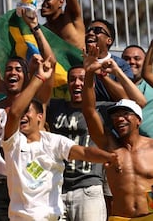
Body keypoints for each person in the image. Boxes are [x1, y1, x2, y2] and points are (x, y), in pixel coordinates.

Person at [2, 56, 121, 220]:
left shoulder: (53, 141)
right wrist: (38, 77)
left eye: (27, 112)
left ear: (40, 116)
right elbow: (14, 112)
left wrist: (108, 157)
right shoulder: (13, 143)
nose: (21, 116)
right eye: (72, 79)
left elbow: (84, 153)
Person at [0, 8, 56, 220]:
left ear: (27, 77)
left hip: (33, 184)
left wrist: (35, 27)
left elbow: (50, 62)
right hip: (1, 185)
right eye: (9, 69)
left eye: (18, 69)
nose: (13, 73)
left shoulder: (37, 101)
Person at [82, 44, 153, 220]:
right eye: (115, 116)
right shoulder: (110, 147)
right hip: (121, 217)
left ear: (138, 120)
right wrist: (89, 74)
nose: (119, 119)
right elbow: (89, 111)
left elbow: (149, 72)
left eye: (125, 114)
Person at [47, 65, 113, 221]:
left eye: (82, 79)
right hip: (56, 188)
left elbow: (137, 102)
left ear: (92, 83)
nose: (77, 83)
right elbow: (38, 97)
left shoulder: (103, 109)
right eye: (72, 79)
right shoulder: (55, 107)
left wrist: (107, 74)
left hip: (88, 188)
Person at [85, 19, 134, 102]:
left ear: (109, 40)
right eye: (88, 30)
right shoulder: (77, 62)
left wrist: (100, 73)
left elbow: (125, 98)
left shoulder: (120, 65)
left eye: (97, 30)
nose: (90, 33)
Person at [123, 44, 153, 138]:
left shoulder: (151, 85)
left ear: (146, 62)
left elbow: (147, 74)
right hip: (126, 148)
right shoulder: (113, 85)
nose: (131, 62)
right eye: (126, 59)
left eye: (137, 58)